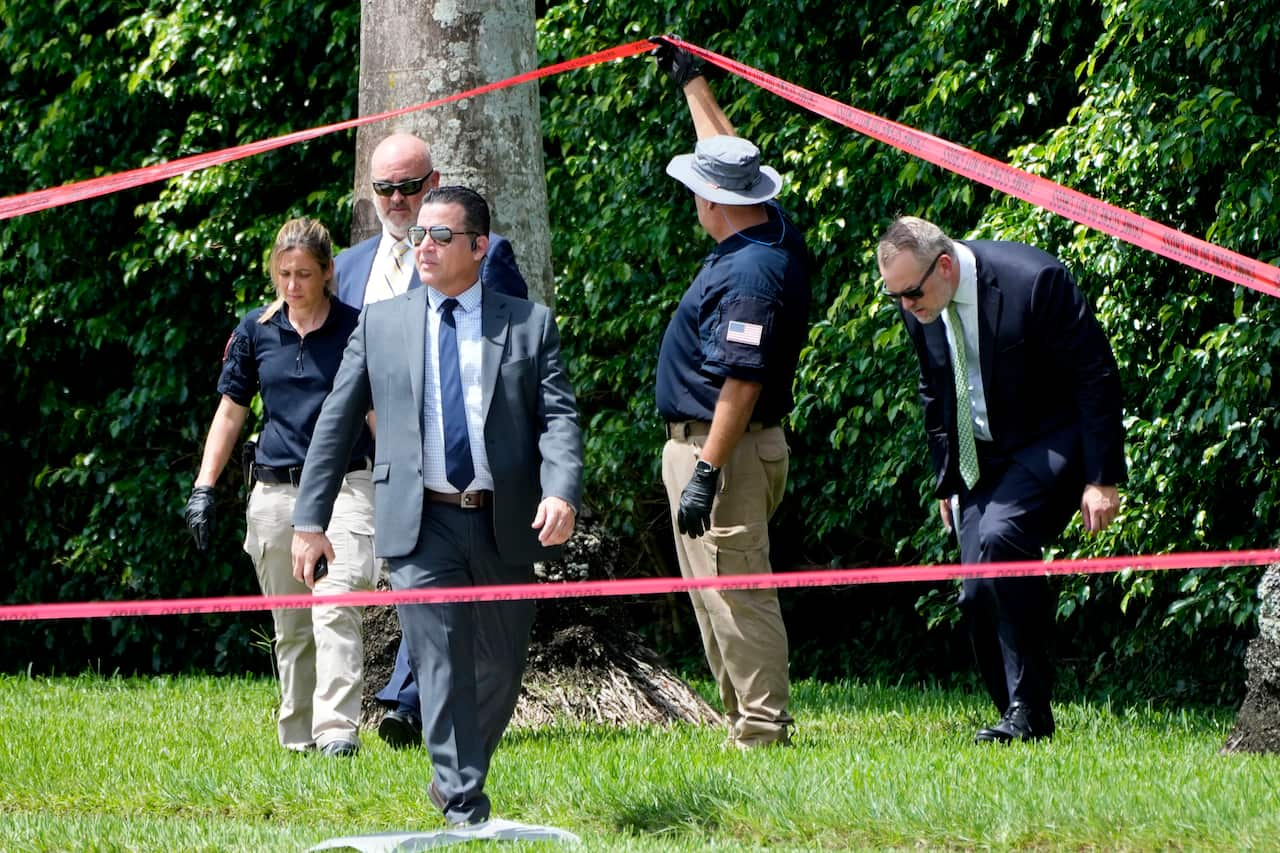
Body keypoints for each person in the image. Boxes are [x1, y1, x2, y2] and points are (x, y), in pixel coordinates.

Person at [290, 186, 582, 826]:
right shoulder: (384, 322)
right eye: (419, 233)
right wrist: (310, 521)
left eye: (441, 236)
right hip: (421, 522)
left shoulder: (528, 324)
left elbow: (557, 419)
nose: (423, 245)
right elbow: (336, 422)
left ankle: (454, 771)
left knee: (502, 669)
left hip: (504, 519)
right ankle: (463, 804)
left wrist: (560, 490)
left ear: (480, 247)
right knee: (441, 660)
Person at [876, 215, 1125, 743]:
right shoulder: (919, 301)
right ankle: (1014, 711)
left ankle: (1029, 712)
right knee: (974, 593)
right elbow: (933, 387)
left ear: (944, 266)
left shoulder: (1033, 280)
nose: (905, 307)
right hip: (979, 459)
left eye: (911, 293)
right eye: (894, 296)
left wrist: (1103, 478)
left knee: (1000, 538)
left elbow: (1096, 374)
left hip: (1051, 441)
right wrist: (947, 479)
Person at [334, 132, 532, 751]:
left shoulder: (488, 255)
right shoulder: (348, 268)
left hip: (452, 471)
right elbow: (343, 375)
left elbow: (511, 357)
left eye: (410, 187)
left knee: (445, 601)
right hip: (364, 464)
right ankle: (389, 711)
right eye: (384, 189)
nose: (397, 200)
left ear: (433, 182)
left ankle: (411, 704)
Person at [651, 39, 813, 749]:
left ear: (712, 202)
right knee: (713, 591)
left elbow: (741, 380)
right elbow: (726, 152)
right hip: (714, 449)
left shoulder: (752, 274)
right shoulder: (769, 228)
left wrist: (708, 471)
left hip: (728, 451)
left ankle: (762, 731)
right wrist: (693, 83)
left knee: (738, 590)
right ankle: (741, 722)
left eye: (697, 190)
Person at [183, 218, 377, 757]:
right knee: (292, 626)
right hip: (274, 490)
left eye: (304, 274)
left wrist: (407, 481)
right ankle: (298, 741)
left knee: (336, 601)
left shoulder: (357, 329)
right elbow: (230, 413)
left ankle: (337, 733)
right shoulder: (255, 331)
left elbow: (378, 414)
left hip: (346, 485)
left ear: (328, 272)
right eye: (283, 274)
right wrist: (204, 486)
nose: (292, 286)